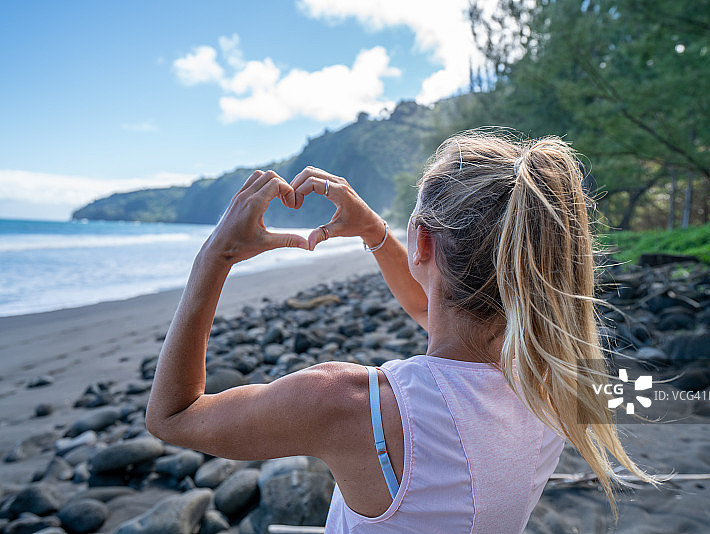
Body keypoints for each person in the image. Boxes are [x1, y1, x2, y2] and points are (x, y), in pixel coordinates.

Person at [145, 131, 654, 533]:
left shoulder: (351, 405)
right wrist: (375, 233)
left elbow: (173, 417)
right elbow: (435, 311)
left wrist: (216, 256)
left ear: (424, 244)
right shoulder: (547, 375)